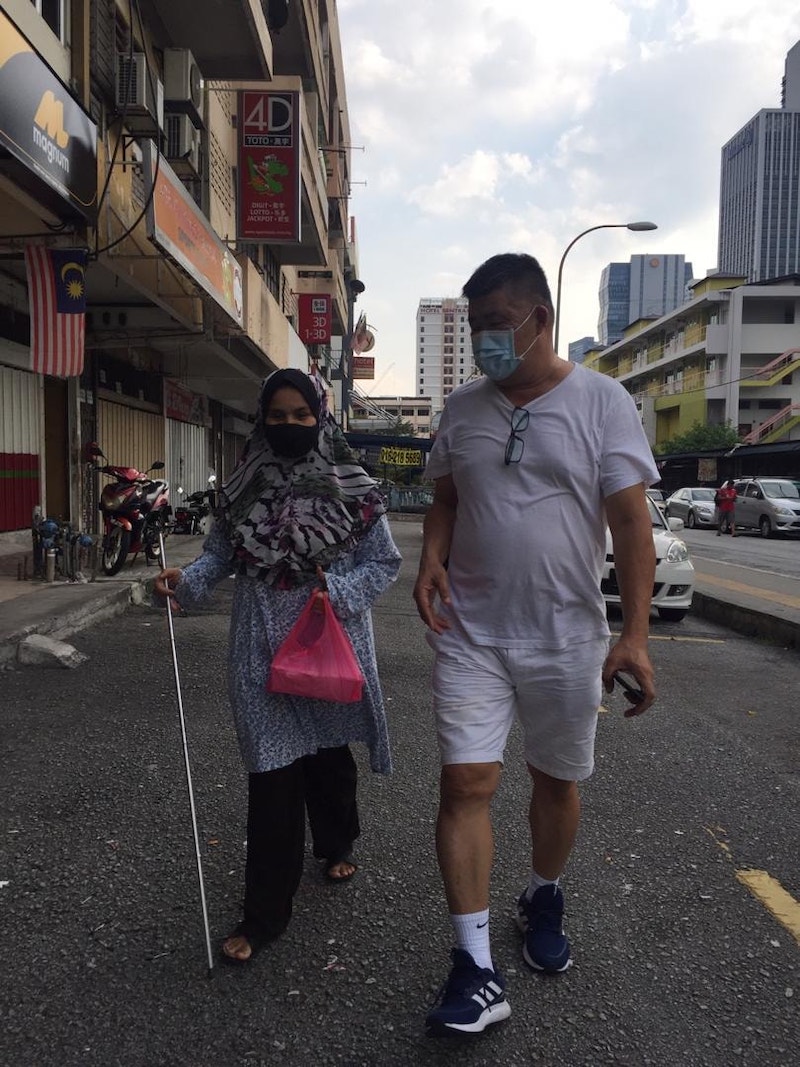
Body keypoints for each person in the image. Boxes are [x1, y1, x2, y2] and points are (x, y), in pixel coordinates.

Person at [413, 253, 660, 1036]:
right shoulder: (461, 407)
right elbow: (445, 498)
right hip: (472, 631)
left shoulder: (602, 401)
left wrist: (636, 636)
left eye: (495, 325)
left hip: (566, 633)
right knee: (466, 782)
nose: (483, 339)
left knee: (555, 781)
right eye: (474, 324)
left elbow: (629, 524)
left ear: (538, 320)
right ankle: (474, 967)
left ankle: (544, 889)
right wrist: (429, 557)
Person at [155, 369, 401, 963]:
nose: (289, 425)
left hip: (328, 636)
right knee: (272, 776)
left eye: (302, 415)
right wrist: (185, 582)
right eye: (278, 415)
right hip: (260, 643)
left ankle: (337, 839)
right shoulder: (244, 483)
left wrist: (336, 590)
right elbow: (219, 554)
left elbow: (383, 563)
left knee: (327, 755)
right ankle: (264, 915)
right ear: (262, 418)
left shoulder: (353, 488)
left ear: (321, 415)